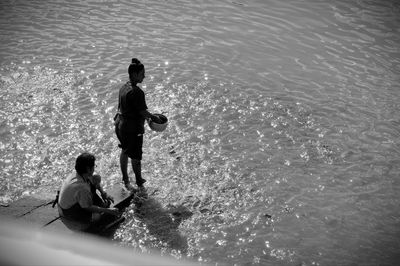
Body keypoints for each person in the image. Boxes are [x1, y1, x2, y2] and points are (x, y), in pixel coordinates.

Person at [114, 58, 162, 191]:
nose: (144, 76)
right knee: (135, 157)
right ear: (134, 74)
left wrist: (146, 116)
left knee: (124, 150)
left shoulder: (124, 87)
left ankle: (125, 179)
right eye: (142, 74)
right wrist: (153, 118)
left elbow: (126, 108)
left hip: (119, 124)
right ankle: (139, 182)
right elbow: (142, 111)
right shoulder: (137, 92)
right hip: (131, 129)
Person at [57, 152, 120, 231]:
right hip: (68, 211)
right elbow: (87, 207)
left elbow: (95, 180)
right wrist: (107, 210)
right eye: (94, 166)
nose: (94, 168)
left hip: (70, 200)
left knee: (96, 177)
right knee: (97, 216)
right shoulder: (82, 187)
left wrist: (103, 193)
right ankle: (90, 226)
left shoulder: (79, 173)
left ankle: (95, 204)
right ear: (88, 169)